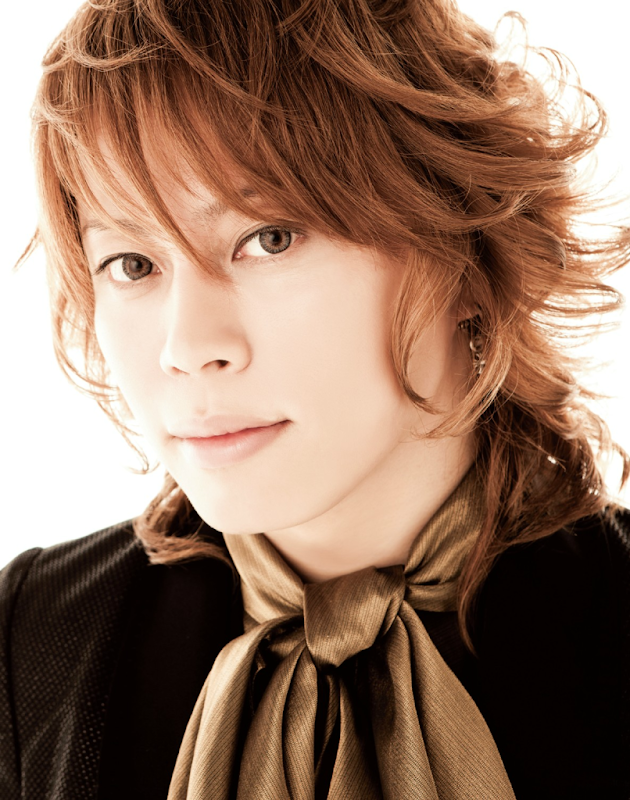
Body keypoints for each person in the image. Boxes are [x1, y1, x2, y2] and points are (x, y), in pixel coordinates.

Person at [1, 0, 629, 797]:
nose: (187, 346)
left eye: (270, 238)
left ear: (464, 250)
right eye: (132, 264)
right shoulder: (31, 642)